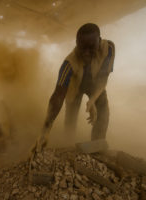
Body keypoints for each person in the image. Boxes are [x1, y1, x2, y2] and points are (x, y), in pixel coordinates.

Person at [35, 23, 115, 152]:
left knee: (103, 112)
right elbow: (58, 96)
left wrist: (93, 100)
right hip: (75, 88)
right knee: (70, 118)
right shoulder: (69, 64)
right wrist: (45, 130)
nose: (86, 53)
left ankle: (97, 149)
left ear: (99, 41)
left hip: (96, 85)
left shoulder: (109, 48)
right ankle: (68, 146)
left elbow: (103, 77)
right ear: (77, 43)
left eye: (91, 47)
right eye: (82, 48)